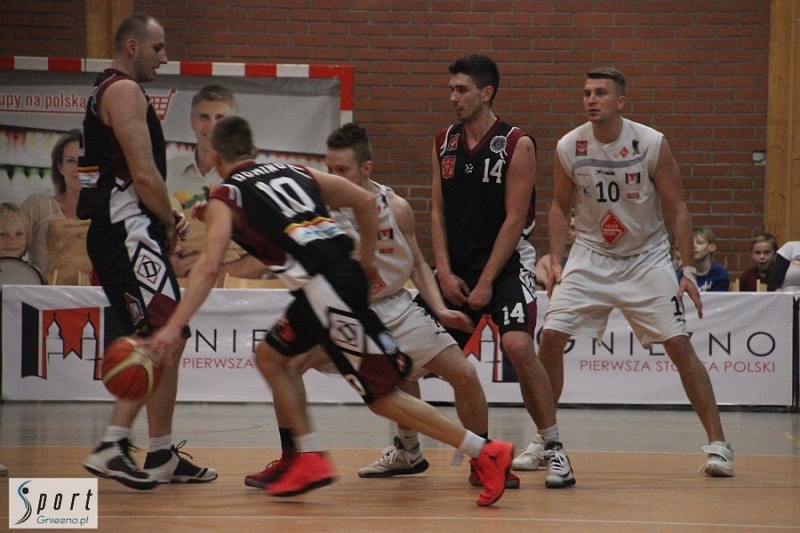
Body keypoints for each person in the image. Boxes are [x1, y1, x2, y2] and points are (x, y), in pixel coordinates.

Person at [149, 115, 515, 506]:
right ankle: (303, 456)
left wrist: (173, 326)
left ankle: (484, 451)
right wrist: (368, 259)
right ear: (252, 149)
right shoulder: (294, 171)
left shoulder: (227, 194)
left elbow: (208, 268)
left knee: (381, 397)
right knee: (272, 358)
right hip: (334, 284)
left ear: (214, 156)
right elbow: (365, 201)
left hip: (328, 290)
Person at [242, 123, 517, 489]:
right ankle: (294, 458)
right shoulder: (317, 209)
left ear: (366, 168)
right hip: (343, 312)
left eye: (342, 169)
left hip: (396, 306)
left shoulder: (395, 207)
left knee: (463, 374)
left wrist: (439, 308)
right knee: (286, 366)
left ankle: (480, 459)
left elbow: (417, 262)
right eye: (329, 168)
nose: (333, 175)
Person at [539, 66, 734, 477]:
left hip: (646, 257)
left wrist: (686, 269)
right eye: (587, 93)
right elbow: (558, 206)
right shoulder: (569, 145)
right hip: (590, 255)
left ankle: (719, 446)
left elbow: (677, 207)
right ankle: (545, 441)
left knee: (678, 345)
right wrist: (556, 258)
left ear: (621, 102)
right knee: (551, 337)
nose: (591, 100)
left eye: (601, 93)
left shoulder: (650, 143)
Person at [77, 12, 216, 490]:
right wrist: (170, 221)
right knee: (163, 334)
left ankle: (160, 453)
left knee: (168, 334)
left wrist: (162, 216)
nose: (165, 56)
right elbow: (142, 173)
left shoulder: (105, 89)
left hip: (123, 230)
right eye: (158, 47)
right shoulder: (123, 90)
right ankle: (113, 443)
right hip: (127, 232)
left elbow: (130, 175)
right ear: (132, 47)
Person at [426, 53, 573, 488]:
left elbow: (514, 219)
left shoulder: (516, 143)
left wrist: (488, 280)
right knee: (411, 353)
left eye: (462, 90)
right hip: (456, 268)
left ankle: (553, 447)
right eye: (451, 89)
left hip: (506, 266)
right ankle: (422, 448)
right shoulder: (443, 142)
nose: (453, 97)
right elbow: (436, 211)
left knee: (519, 346)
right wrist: (443, 272)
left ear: (486, 93)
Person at [167, 84, 268, 280]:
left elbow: (270, 252)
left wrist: (212, 269)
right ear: (192, 121)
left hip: (234, 290)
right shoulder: (165, 171)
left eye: (220, 118)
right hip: (174, 284)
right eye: (204, 117)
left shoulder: (253, 178)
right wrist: (170, 259)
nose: (212, 125)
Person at [20, 129, 92, 283]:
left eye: (84, 161)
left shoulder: (106, 212)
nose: (78, 169)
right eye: (71, 161)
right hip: (42, 296)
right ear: (60, 167)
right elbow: (9, 243)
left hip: (93, 297)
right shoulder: (38, 205)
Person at [679, 227, 729, 291]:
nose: (694, 246)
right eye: (691, 244)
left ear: (712, 247)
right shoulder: (683, 273)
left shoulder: (719, 273)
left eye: (699, 243)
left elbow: (719, 297)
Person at [534, 213, 575, 292]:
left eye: (573, 228)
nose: (568, 232)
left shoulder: (583, 261)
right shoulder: (545, 261)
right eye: (565, 228)